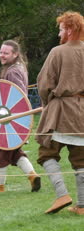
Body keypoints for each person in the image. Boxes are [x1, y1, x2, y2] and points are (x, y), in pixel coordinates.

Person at [36, 11, 84, 215]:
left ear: (70, 29)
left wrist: (48, 103)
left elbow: (45, 84)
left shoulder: (58, 52)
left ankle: (62, 194)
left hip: (61, 111)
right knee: (81, 159)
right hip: (83, 112)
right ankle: (82, 206)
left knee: (47, 152)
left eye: (61, 29)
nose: (59, 34)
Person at [0, 40, 41, 193]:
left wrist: (10, 117)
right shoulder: (16, 67)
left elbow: (18, 96)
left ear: (15, 54)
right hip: (13, 117)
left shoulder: (13, 71)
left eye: (6, 53)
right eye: (1, 52)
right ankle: (32, 175)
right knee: (14, 152)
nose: (2, 55)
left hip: (11, 119)